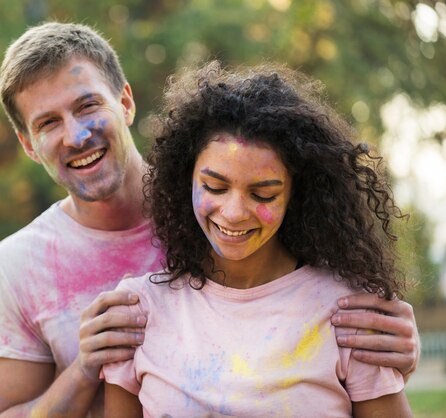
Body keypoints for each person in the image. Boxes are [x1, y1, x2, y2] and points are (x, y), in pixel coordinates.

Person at [0, 22, 419, 418]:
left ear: (125, 102)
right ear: (28, 144)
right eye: (48, 123)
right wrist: (86, 367)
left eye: (88, 105)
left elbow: (315, 313)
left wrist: (394, 350)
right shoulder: (18, 266)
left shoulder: (227, 212)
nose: (76, 135)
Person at [102, 62, 414, 417]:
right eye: (215, 187)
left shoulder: (349, 315)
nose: (234, 213)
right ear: (183, 178)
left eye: (263, 194)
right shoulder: (137, 311)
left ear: (297, 194)